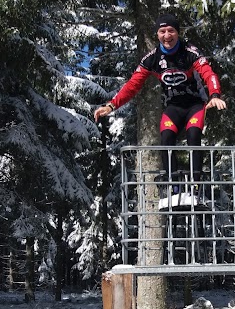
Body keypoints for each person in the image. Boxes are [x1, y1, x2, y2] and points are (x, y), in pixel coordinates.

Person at [94, 13, 227, 187]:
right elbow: (133, 84)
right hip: (173, 107)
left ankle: (196, 184)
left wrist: (215, 94)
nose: (167, 36)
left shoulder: (190, 52)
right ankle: (174, 185)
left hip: (194, 105)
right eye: (162, 31)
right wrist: (111, 105)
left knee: (193, 134)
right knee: (166, 137)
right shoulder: (152, 58)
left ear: (178, 33)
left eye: (171, 31)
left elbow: (208, 73)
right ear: (157, 34)